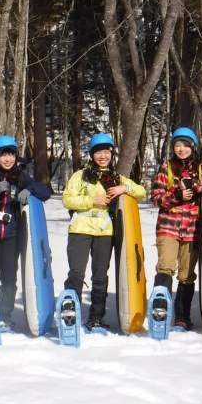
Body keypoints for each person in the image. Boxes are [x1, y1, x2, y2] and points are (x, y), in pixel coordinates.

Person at [61, 132, 147, 331]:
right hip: (80, 230)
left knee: (100, 276)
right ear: (92, 154)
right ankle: (69, 314)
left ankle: (96, 318)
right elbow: (67, 199)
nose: (103, 156)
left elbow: (142, 192)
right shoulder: (80, 176)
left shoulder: (117, 178)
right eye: (98, 152)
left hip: (105, 233)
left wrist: (123, 189)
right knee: (76, 273)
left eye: (106, 151)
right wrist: (92, 200)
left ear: (111, 153)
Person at [0, 135, 53, 331]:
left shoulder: (21, 177)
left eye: (11, 155)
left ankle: (5, 316)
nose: (7, 159)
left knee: (9, 277)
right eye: (3, 155)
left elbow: (46, 193)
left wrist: (30, 191)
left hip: (12, 235)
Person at [149, 127, 202, 331]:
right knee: (165, 266)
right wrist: (177, 196)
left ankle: (182, 317)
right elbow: (156, 196)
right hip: (168, 226)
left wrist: (199, 186)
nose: (181, 149)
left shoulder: (201, 167)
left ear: (193, 146)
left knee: (186, 274)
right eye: (177, 145)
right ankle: (160, 312)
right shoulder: (167, 168)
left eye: (185, 145)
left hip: (192, 229)